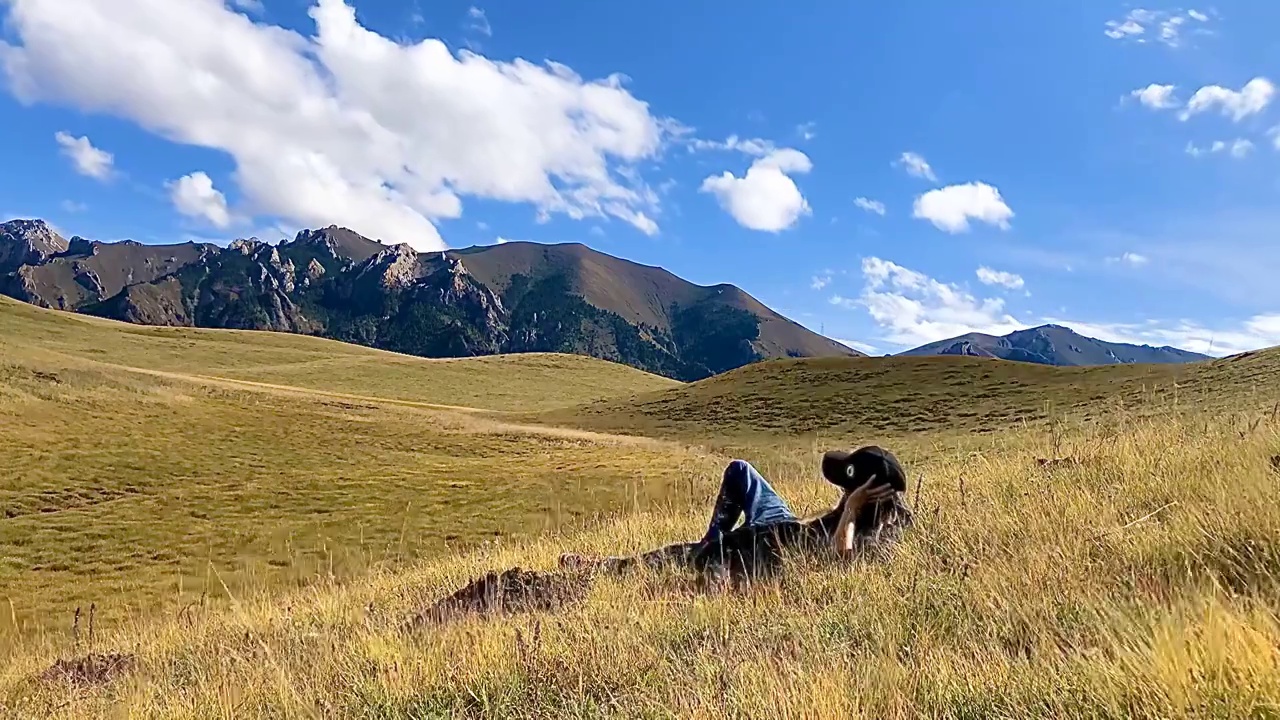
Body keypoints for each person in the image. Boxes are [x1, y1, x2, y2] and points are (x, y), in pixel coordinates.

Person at [558, 446, 914, 582]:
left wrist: (852, 509)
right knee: (740, 470)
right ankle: (709, 543)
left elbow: (843, 566)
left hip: (773, 548)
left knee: (673, 557)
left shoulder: (874, 535)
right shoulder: (894, 514)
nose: (841, 491)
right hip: (785, 526)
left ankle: (604, 566)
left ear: (866, 494)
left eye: (848, 489)